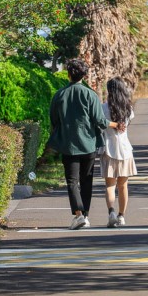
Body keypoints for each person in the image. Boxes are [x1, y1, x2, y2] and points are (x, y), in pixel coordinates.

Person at [47, 58, 123, 230]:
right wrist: (114, 124)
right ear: (85, 75)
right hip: (89, 143)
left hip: (68, 144)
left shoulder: (59, 95)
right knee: (86, 180)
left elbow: (53, 120)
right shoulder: (91, 95)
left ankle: (78, 215)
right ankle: (86, 215)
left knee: (72, 181)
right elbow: (99, 120)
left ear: (68, 73)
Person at [101, 77, 138, 228]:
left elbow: (100, 124)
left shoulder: (103, 108)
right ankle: (121, 216)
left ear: (109, 91)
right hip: (125, 150)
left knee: (110, 185)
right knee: (123, 186)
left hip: (108, 149)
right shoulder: (128, 109)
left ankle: (111, 212)